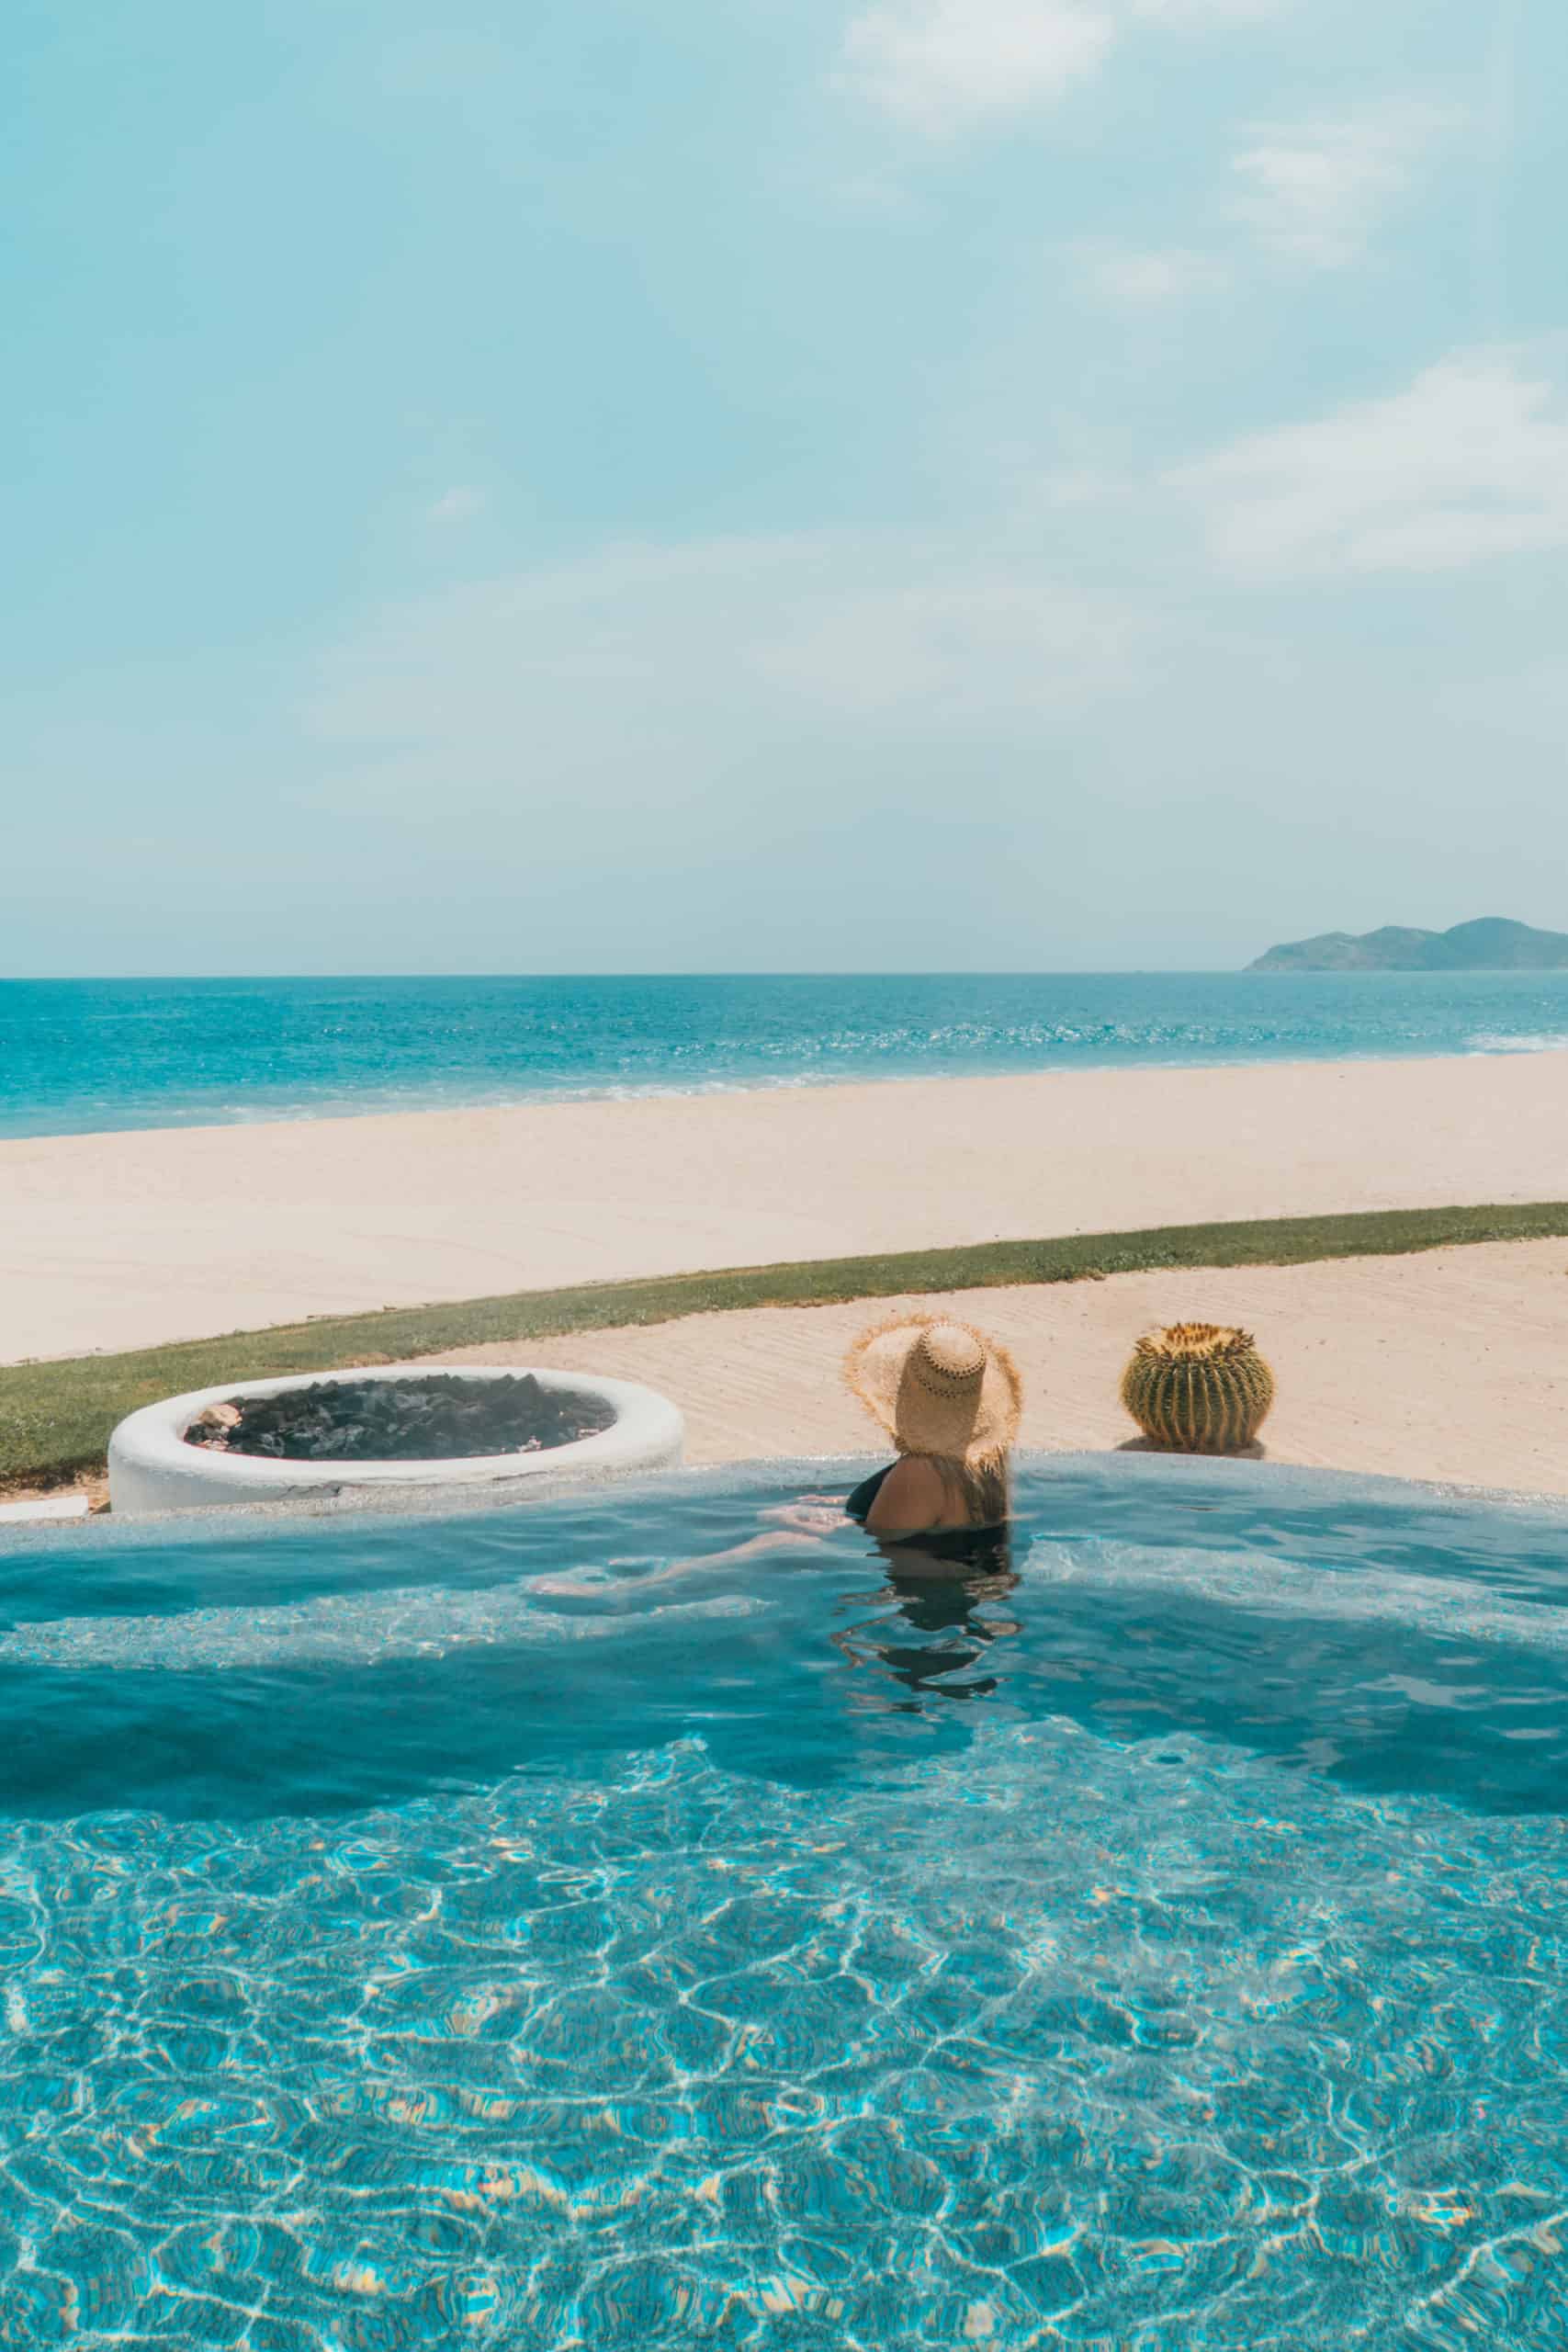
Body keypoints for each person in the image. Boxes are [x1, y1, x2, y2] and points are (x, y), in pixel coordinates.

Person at [841, 1312, 1021, 1561]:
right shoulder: (987, 1457)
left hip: (925, 1593)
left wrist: (805, 1528)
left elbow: (880, 1545)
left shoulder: (920, 1471)